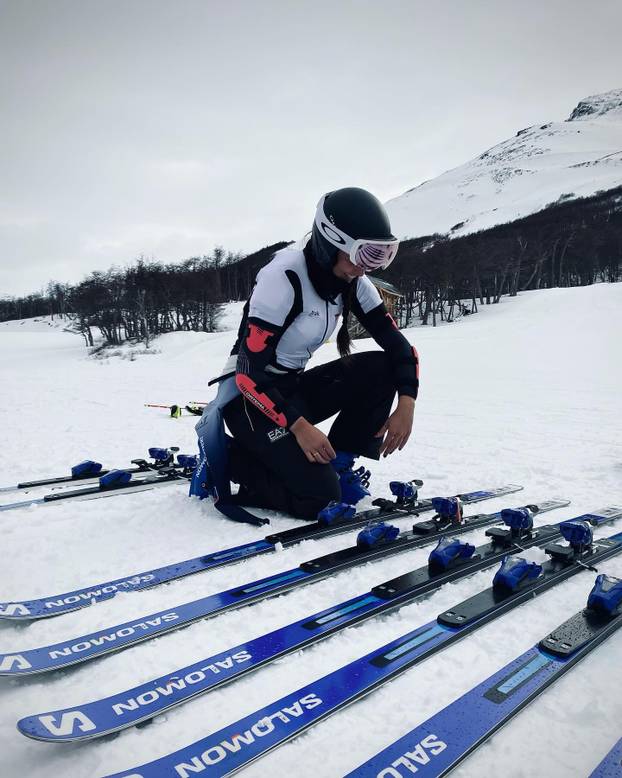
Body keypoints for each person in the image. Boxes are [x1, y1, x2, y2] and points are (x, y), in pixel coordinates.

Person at [190, 187, 419, 524]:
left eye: (381, 256)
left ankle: (338, 465)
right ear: (331, 242)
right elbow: (249, 375)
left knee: (382, 368)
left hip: (290, 388)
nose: (366, 267)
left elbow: (398, 347)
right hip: (247, 398)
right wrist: (300, 428)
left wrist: (407, 402)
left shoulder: (352, 279)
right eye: (364, 255)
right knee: (318, 499)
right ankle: (228, 458)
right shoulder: (283, 278)